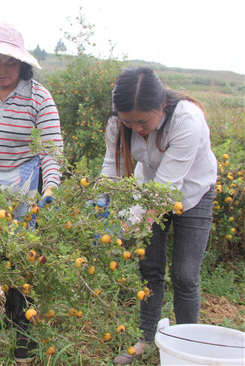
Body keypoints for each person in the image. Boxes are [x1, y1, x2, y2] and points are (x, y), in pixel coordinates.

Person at [0, 21, 63, 363]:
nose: (1, 71)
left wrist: (50, 186)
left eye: (9, 62)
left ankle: (25, 331)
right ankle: (10, 313)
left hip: (26, 179)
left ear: (22, 63)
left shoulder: (39, 97)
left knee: (23, 256)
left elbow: (51, 149)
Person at [100, 67, 217, 365]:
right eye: (129, 121)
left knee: (185, 275)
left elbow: (165, 192)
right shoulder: (118, 122)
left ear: (162, 106)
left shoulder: (187, 120)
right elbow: (112, 168)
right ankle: (146, 339)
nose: (136, 128)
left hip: (192, 194)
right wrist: (104, 205)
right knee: (150, 270)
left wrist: (126, 223)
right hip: (148, 191)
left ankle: (190, 346)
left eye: (143, 121)